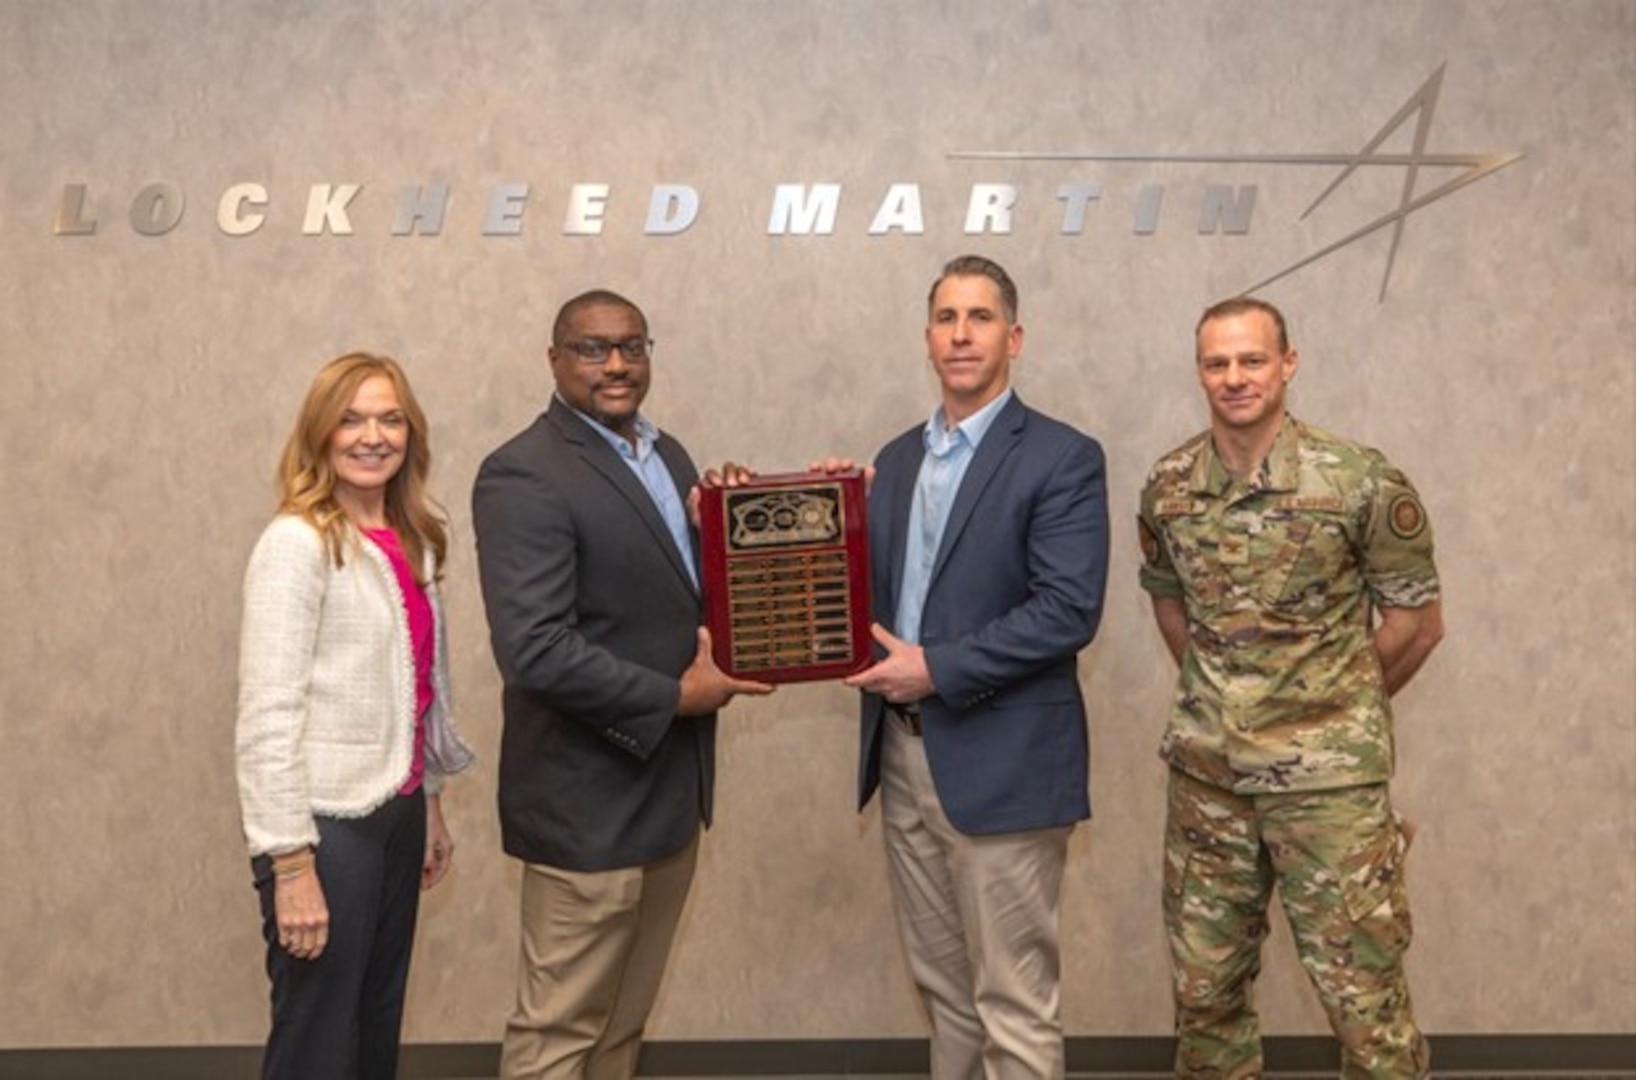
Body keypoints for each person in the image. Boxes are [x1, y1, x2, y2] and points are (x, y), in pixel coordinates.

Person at [1137, 296, 1445, 1078]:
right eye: (1217, 363)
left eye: (1251, 360)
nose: (1234, 378)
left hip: (1330, 790)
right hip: (1210, 782)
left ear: (1288, 364)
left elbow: (1417, 622)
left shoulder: (1359, 482)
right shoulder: (1169, 486)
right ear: (1199, 372)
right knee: (1206, 995)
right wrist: (1232, 700)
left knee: (1364, 1001)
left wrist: (1333, 708)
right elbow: (1172, 607)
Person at [472, 289, 773, 1080]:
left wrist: (728, 523)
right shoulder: (523, 473)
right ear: (554, 360)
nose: (615, 365)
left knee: (620, 1031)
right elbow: (534, 648)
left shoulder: (665, 455)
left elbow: (667, 595)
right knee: (558, 1037)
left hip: (669, 798)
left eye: (632, 347)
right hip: (588, 808)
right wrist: (675, 698)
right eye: (593, 348)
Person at [842, 255, 1110, 1079]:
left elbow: (1068, 610)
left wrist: (938, 668)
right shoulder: (893, 461)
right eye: (948, 318)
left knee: (1014, 1003)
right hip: (902, 752)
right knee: (945, 992)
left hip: (1004, 764)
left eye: (981, 317)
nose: (962, 334)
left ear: (1014, 337)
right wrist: (819, 516)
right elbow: (863, 597)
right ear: (928, 338)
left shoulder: (1062, 457)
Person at [236, 351, 475, 1080]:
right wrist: (292, 863)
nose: (373, 436)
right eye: (351, 418)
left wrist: (429, 802)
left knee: (374, 1027)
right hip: (324, 827)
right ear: (320, 434)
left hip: (396, 817)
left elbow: (417, 696)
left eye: (390, 418)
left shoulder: (413, 541)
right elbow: (267, 715)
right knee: (317, 1039)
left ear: (411, 434)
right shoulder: (297, 543)